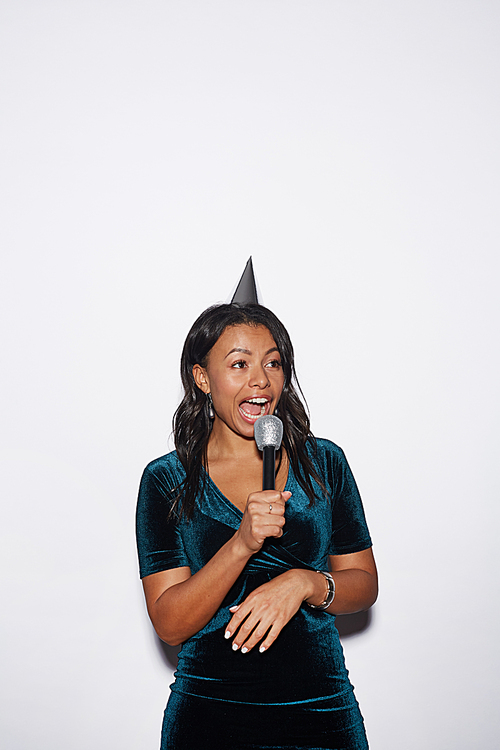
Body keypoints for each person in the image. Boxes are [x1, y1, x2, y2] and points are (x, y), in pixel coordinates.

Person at [136, 299, 378, 750]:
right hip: (208, 715)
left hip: (321, 710)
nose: (261, 380)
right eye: (239, 364)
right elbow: (169, 624)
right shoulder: (167, 480)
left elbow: (364, 585)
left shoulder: (324, 462)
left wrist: (305, 582)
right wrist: (240, 543)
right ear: (202, 378)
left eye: (272, 362)